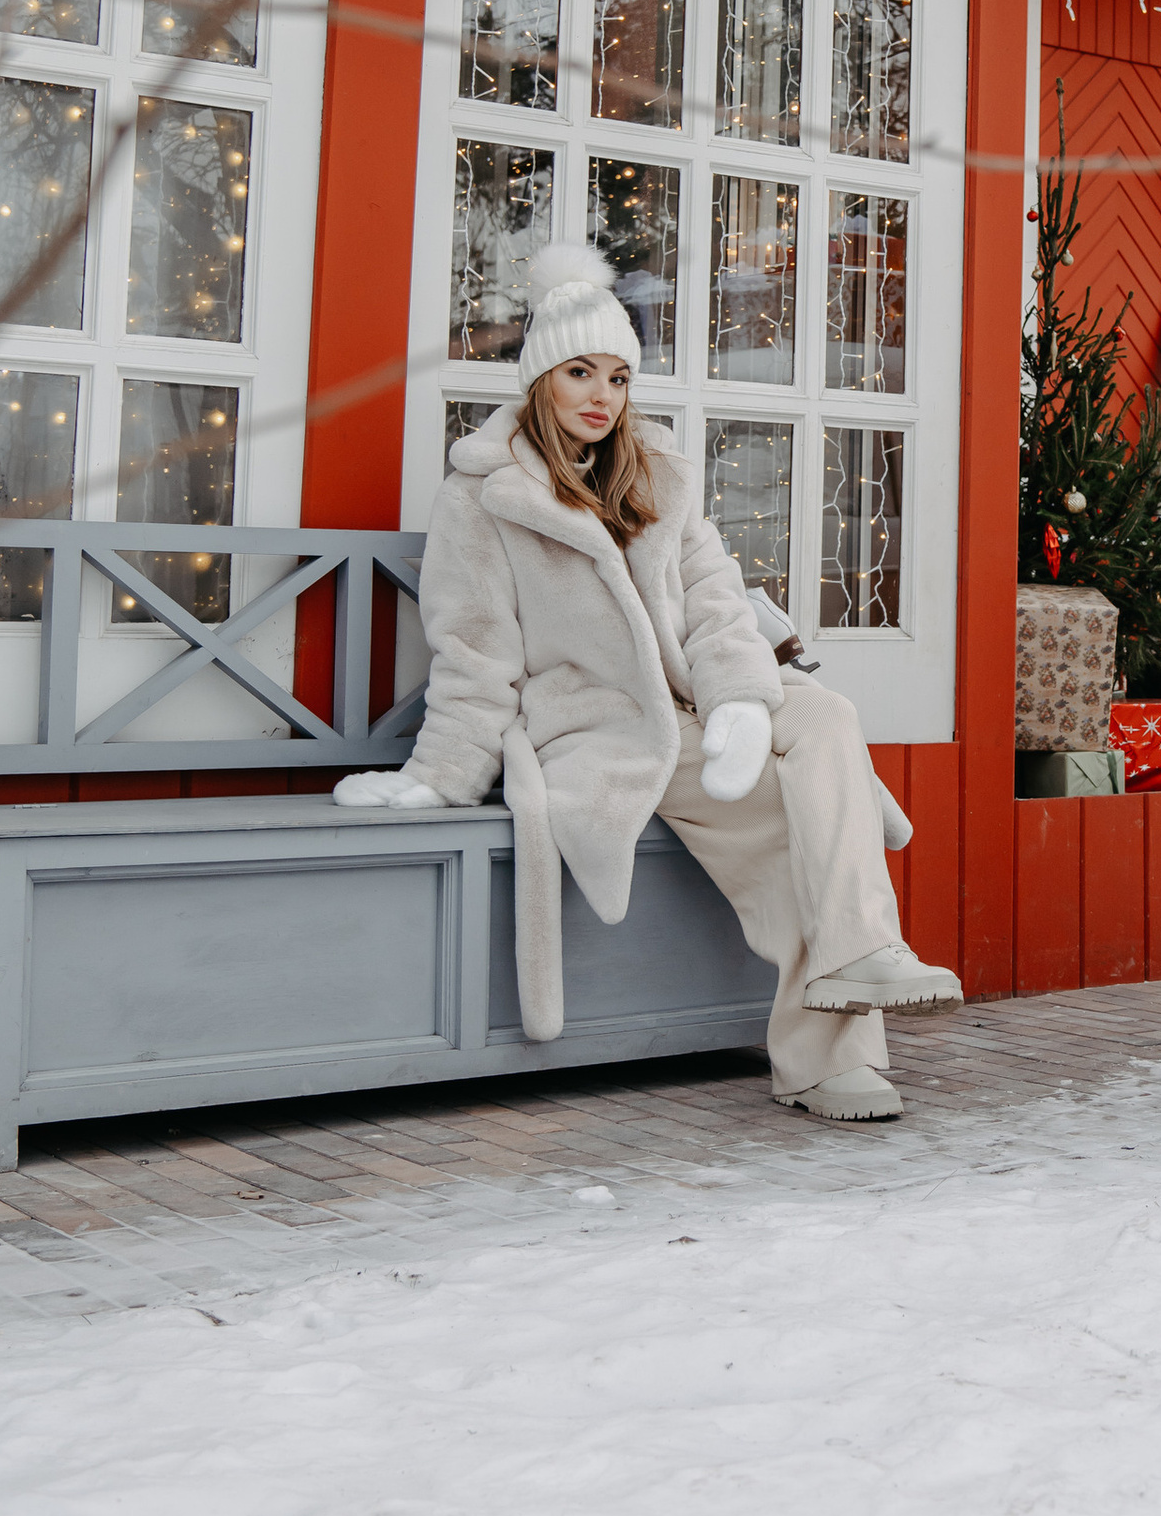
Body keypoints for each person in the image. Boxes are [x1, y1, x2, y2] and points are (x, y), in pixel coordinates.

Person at [336, 242, 960, 1119]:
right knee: (794, 824)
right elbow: (474, 654)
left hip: (700, 713)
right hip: (603, 729)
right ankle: (828, 1053)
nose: (603, 395)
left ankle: (860, 960)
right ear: (540, 378)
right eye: (582, 372)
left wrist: (742, 696)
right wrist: (439, 778)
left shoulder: (658, 478)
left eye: (620, 377)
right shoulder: (483, 499)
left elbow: (716, 606)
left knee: (822, 718)